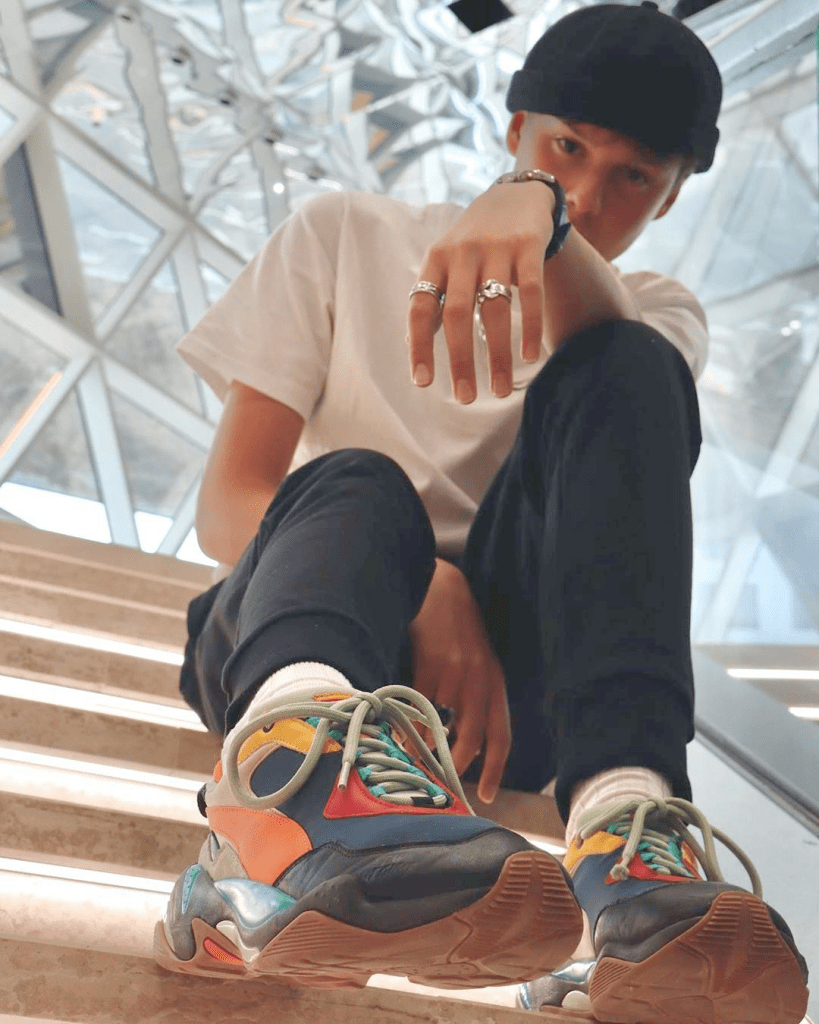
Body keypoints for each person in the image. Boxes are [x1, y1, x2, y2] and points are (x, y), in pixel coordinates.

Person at [155, 2, 810, 1020]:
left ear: (673, 196)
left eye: (632, 177)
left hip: (510, 707)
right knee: (359, 480)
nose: (586, 194)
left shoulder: (652, 311)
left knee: (631, 363)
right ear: (513, 127)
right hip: (311, 621)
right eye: (565, 150)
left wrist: (541, 220)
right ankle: (281, 802)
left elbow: (623, 431)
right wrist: (427, 581)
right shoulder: (342, 232)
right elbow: (230, 503)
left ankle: (626, 826)